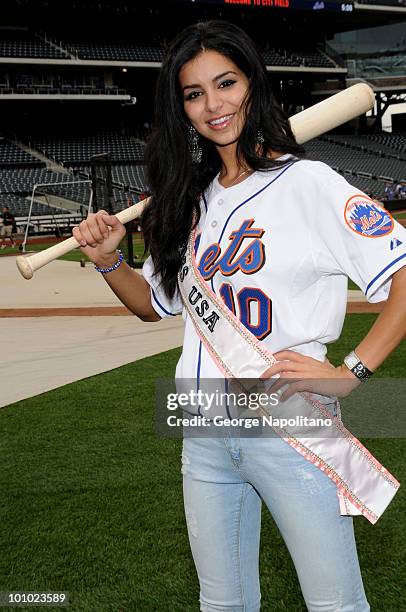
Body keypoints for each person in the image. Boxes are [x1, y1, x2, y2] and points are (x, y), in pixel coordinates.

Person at [72, 21, 406, 611]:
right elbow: (155, 305)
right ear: (182, 109)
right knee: (222, 604)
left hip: (287, 423)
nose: (213, 104)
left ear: (253, 84)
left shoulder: (310, 184)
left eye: (225, 83)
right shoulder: (188, 198)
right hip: (200, 429)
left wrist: (352, 371)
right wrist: (106, 263)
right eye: (194, 93)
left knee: (335, 604)